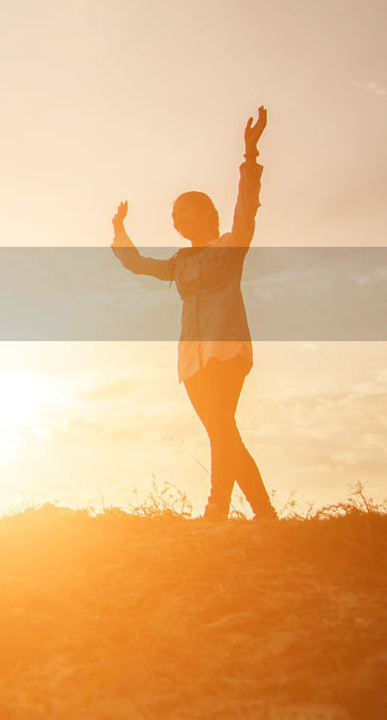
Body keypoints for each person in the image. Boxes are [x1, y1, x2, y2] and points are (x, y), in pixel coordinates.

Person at [110, 106, 277, 521]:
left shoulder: (230, 246)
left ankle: (216, 508)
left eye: (184, 210)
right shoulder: (180, 263)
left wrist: (250, 156)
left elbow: (247, 206)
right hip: (191, 359)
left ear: (206, 212)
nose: (177, 219)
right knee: (224, 434)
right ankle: (265, 514)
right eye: (173, 215)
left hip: (227, 349)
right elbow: (138, 264)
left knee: (221, 425)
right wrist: (119, 231)